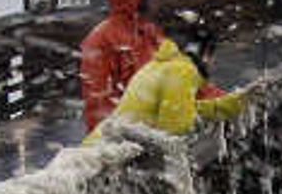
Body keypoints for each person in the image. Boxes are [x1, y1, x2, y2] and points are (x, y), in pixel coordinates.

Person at [77, 0, 168, 135]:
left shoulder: (149, 32)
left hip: (154, 130)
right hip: (120, 140)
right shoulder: (100, 41)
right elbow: (99, 104)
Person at [101, 29, 245, 137]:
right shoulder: (183, 70)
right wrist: (202, 126)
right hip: (103, 160)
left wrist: (234, 104)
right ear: (204, 54)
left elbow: (184, 109)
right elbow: (175, 127)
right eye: (213, 56)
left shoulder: (165, 65)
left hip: (101, 147)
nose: (214, 63)